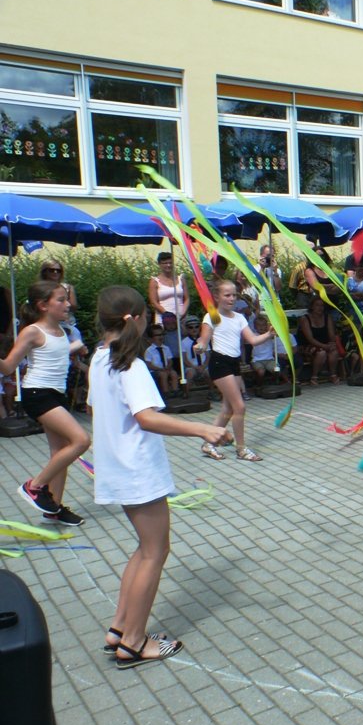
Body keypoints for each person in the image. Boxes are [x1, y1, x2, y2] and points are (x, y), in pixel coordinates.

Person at [89, 285, 230, 670]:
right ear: (136, 319)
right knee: (155, 552)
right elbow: (146, 417)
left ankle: (120, 628)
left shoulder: (100, 358)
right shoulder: (129, 365)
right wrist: (203, 430)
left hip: (118, 468)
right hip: (136, 470)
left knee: (144, 549)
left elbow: (99, 409)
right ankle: (134, 642)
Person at [2, 281, 90, 526]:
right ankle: (35, 486)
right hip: (37, 394)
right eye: (61, 300)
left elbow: (57, 354)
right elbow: (9, 366)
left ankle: (53, 509)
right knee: (81, 440)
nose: (68, 304)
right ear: (43, 305)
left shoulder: (62, 331)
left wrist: (77, 349)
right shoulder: (32, 331)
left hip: (55, 394)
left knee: (59, 452)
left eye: (67, 299)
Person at [193, 280, 273, 462]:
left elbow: (252, 340)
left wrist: (268, 334)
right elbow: (204, 341)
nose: (231, 298)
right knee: (240, 406)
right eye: (227, 295)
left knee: (228, 409)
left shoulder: (239, 317)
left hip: (234, 364)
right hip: (220, 363)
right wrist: (199, 346)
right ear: (217, 296)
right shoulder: (212, 316)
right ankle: (241, 449)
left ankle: (208, 443)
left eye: (234, 295)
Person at [298, 296, 342, 385]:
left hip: (325, 344)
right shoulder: (305, 319)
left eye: (322, 306)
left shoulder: (327, 317)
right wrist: (324, 346)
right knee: (321, 353)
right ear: (312, 307)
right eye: (317, 305)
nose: (320, 308)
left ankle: (333, 375)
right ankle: (314, 376)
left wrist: (332, 344)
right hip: (308, 345)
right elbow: (310, 339)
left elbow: (331, 335)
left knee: (334, 351)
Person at [147, 252, 188, 323]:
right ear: (159, 264)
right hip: (163, 317)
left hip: (181, 317)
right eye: (165, 263)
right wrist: (167, 315)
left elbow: (187, 299)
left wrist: (183, 312)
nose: (168, 265)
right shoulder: (154, 281)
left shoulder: (181, 279)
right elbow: (153, 302)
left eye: (170, 262)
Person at [143, 324, 179, 397]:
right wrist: (160, 369)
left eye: (162, 334)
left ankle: (175, 390)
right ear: (151, 338)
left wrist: (168, 367)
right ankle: (165, 392)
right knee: (163, 374)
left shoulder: (166, 348)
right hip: (155, 370)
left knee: (174, 373)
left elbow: (170, 360)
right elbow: (148, 364)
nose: (161, 337)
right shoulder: (149, 350)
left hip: (166, 368)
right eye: (157, 335)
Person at [39, 260, 79, 325]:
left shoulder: (67, 287)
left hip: (66, 323)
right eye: (52, 270)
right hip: (45, 322)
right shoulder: (39, 287)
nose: (55, 272)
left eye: (58, 271)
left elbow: (73, 306)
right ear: (45, 272)